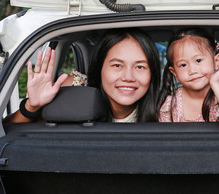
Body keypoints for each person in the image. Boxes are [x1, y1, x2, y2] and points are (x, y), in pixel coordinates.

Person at [5, 28, 161, 123]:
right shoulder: (74, 89)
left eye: (140, 67)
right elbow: (9, 133)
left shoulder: (167, 108)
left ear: (152, 73)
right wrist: (32, 106)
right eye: (117, 65)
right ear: (100, 68)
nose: (128, 77)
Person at [158, 28, 219, 133]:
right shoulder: (170, 103)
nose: (192, 71)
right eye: (183, 65)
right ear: (174, 72)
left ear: (217, 61)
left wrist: (216, 84)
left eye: (198, 60)